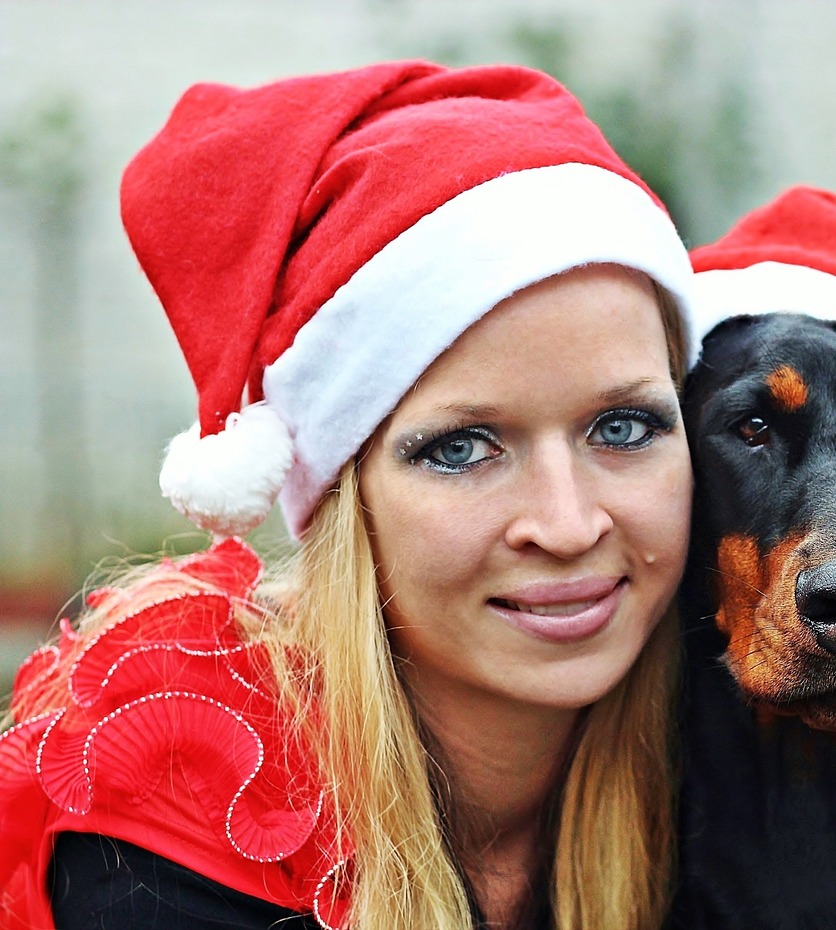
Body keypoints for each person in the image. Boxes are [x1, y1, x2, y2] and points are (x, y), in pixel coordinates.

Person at [0, 60, 695, 930]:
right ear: (341, 496)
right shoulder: (184, 803)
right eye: (462, 448)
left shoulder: (736, 740)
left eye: (625, 429)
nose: (566, 523)